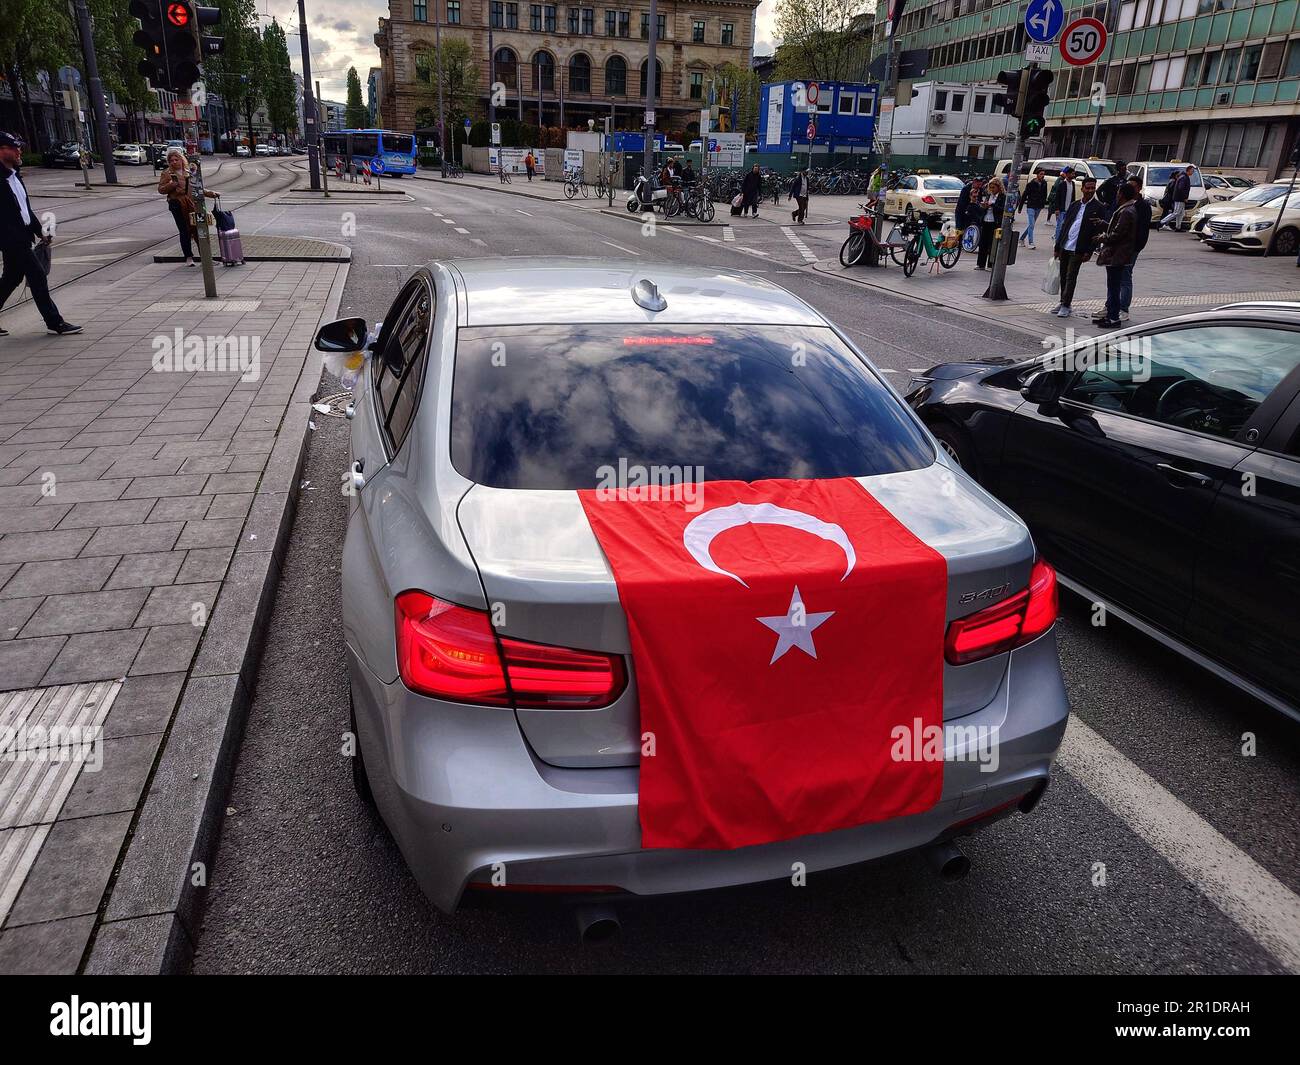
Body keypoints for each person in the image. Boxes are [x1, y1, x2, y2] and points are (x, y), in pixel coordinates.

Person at [0, 132, 80, 336]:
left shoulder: (14, 175)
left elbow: (24, 210)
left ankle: (54, 322)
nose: (20, 151)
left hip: (22, 237)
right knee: (37, 276)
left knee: (11, 278)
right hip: (12, 239)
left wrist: (40, 231)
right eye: (14, 147)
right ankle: (55, 322)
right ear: (2, 150)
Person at [1051, 176, 1106, 319]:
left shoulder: (1098, 207)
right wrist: (1058, 246)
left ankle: (1066, 305)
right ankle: (1064, 302)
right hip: (1065, 246)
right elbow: (1065, 226)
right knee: (1063, 275)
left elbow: (1097, 232)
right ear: (1082, 188)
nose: (1090, 191)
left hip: (1080, 248)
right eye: (1087, 188)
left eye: (1093, 188)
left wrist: (1089, 250)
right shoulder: (1075, 205)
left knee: (1071, 276)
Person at [158, 147, 218, 267]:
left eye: (176, 159)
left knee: (198, 229)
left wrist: (210, 193)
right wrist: (171, 185)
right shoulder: (167, 173)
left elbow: (196, 187)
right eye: (171, 160)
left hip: (191, 203)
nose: (174, 162)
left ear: (181, 159)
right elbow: (161, 189)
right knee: (184, 231)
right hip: (177, 204)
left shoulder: (189, 171)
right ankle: (188, 257)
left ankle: (205, 257)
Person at [1093, 183, 1139, 328]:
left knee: (1114, 287)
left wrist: (1102, 237)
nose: (1117, 194)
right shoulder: (1128, 209)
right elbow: (1117, 228)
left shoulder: (1127, 211)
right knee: (1112, 286)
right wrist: (1104, 224)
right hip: (1119, 253)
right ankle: (1110, 315)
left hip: (1118, 254)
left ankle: (1113, 318)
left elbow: (1117, 234)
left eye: (1118, 192)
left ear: (1123, 194)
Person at [1117, 175, 1152, 321]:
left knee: (1125, 276)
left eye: (1132, 186)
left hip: (1130, 248)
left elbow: (1143, 230)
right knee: (1116, 277)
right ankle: (1112, 305)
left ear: (1138, 188)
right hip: (1119, 247)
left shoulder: (1142, 206)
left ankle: (1123, 309)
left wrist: (1136, 247)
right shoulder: (1124, 202)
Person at [975, 177, 1005, 271]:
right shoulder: (989, 195)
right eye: (990, 188)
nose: (992, 190)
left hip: (995, 222)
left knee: (992, 244)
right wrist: (984, 206)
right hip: (986, 220)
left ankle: (991, 264)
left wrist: (992, 205)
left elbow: (1002, 210)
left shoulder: (1002, 197)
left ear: (999, 187)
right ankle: (980, 264)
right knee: (983, 243)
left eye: (993, 188)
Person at [1018, 170, 1047, 250]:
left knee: (1032, 224)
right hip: (1031, 206)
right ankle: (1031, 242)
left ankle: (1021, 238)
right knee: (1031, 224)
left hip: (1038, 206)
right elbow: (1024, 195)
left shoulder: (1044, 183)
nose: (1042, 176)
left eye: (1043, 174)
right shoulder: (1031, 184)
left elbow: (1044, 194)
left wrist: (1043, 204)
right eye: (1041, 174)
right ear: (1037, 175)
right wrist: (1020, 207)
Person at [1159, 164, 1193, 231]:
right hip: (1179, 198)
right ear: (1188, 171)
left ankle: (1178, 227)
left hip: (1179, 198)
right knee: (1176, 212)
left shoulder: (1184, 177)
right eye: (1192, 171)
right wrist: (1184, 197)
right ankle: (1161, 222)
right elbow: (1181, 188)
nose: (1192, 172)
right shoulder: (1184, 177)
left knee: (1181, 213)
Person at [1049, 165, 1077, 244]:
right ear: (1067, 174)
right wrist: (1057, 209)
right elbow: (1057, 197)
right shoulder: (1062, 184)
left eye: (1074, 174)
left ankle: (1061, 239)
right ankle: (1057, 242)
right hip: (1061, 209)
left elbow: (1073, 197)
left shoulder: (1073, 184)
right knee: (1059, 226)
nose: (1073, 176)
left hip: (1069, 209)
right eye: (1072, 174)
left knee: (1066, 226)